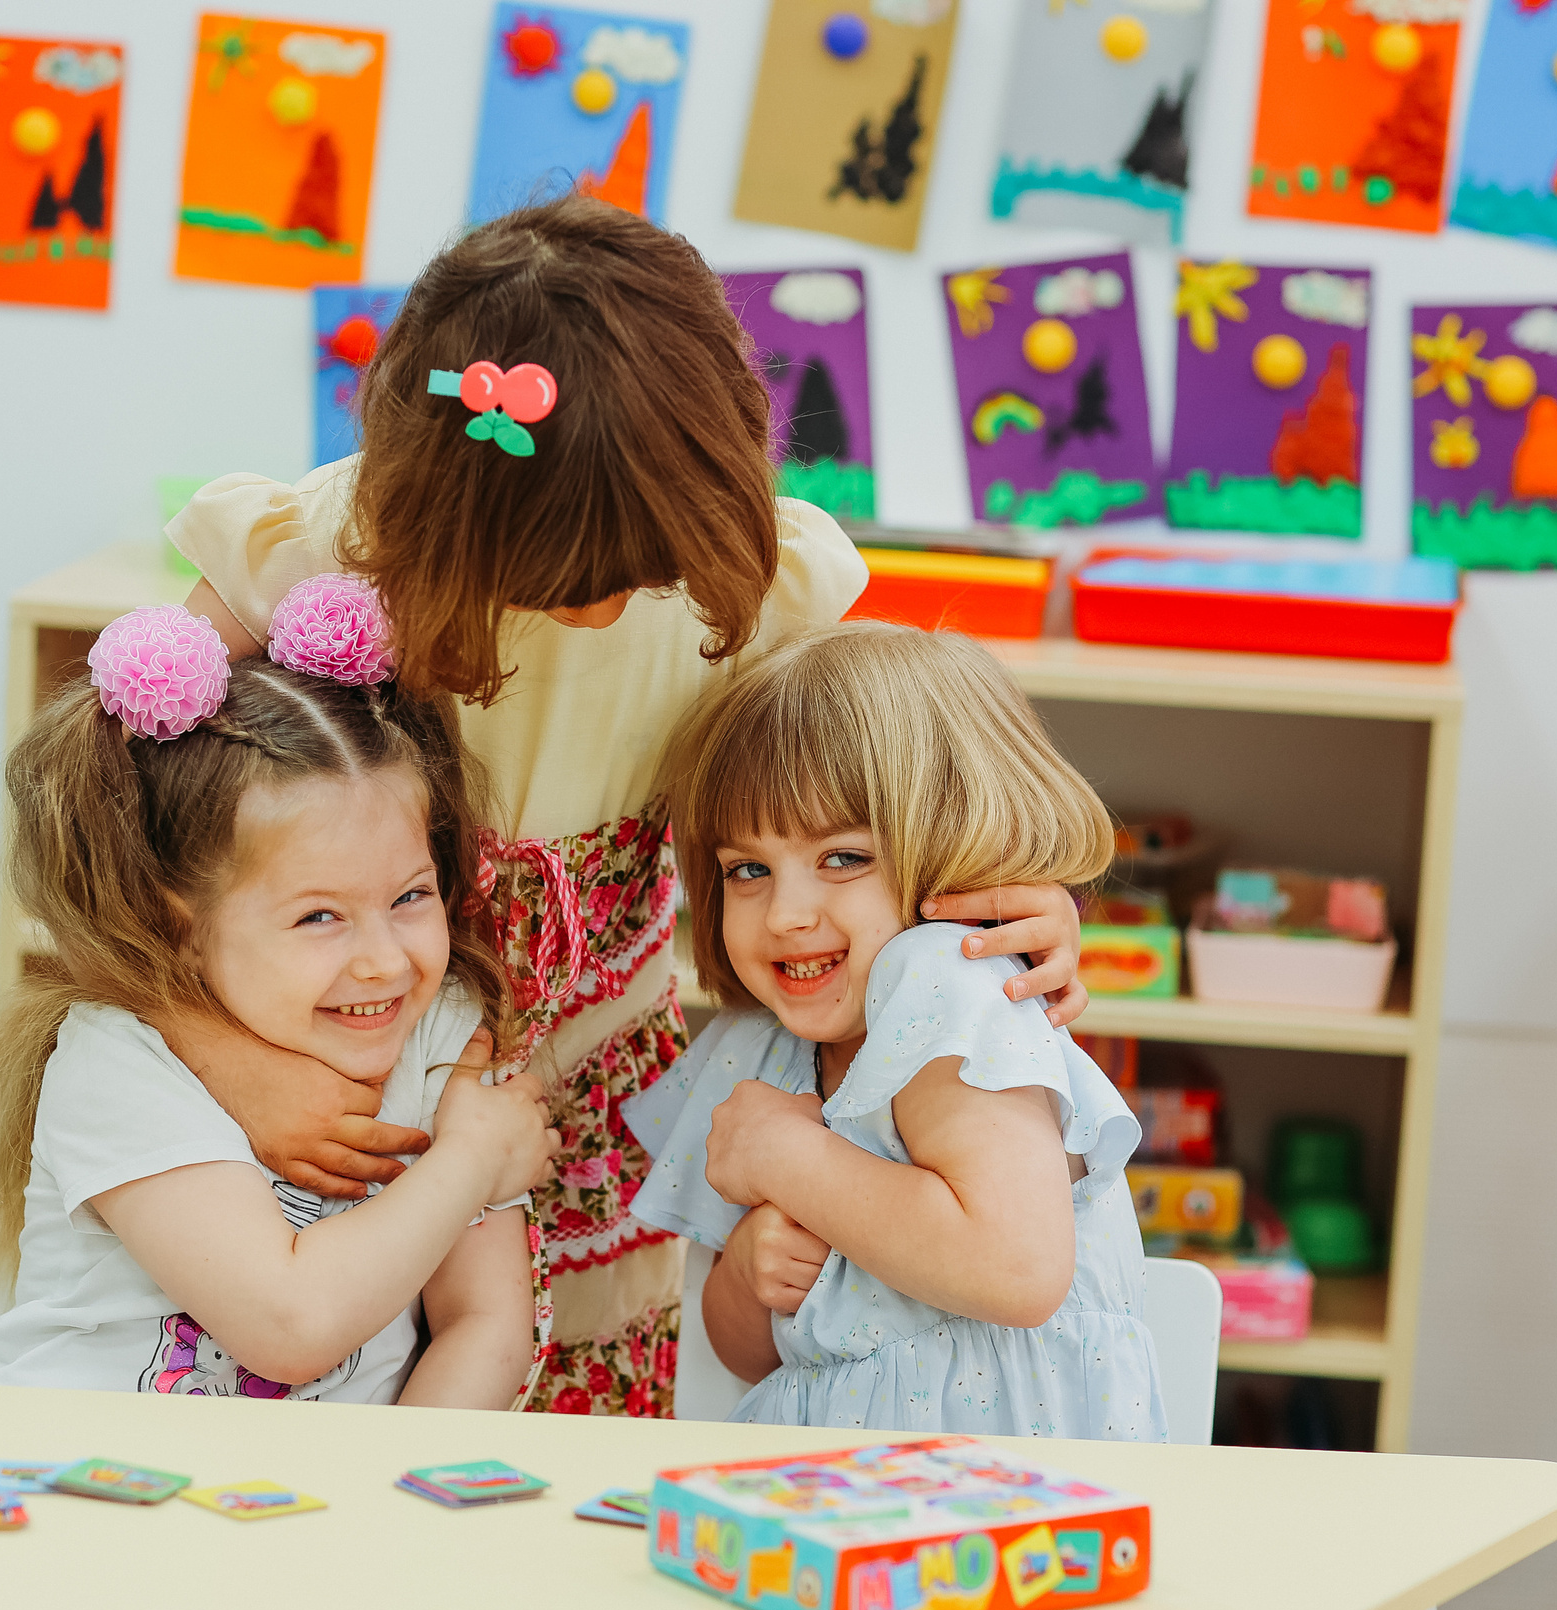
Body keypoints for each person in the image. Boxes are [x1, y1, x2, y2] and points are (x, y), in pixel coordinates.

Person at [161, 195, 1091, 1416]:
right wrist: (216, 1050)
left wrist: (1009, 902)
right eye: (553, 583)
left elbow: (892, 789)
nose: (599, 613)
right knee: (320, 1413)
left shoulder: (749, 579)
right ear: (446, 507)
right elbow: (111, 830)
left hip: (590, 1104)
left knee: (557, 1446)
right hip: (322, 1089)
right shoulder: (325, 556)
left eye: (634, 576)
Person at [0, 586, 555, 1409]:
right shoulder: (119, 1058)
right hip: (84, 1491)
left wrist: (377, 1508)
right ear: (185, 929)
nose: (385, 961)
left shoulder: (442, 1033)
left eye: (410, 896)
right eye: (320, 916)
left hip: (317, 1513)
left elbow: (485, 1323)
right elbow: (290, 1325)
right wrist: (469, 1161)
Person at [626, 623, 1166, 1439]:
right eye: (748, 869)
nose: (787, 914)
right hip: (839, 1495)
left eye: (843, 858)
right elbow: (743, 1353)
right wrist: (746, 1272)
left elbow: (1017, 1269)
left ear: (956, 849)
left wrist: (789, 1156)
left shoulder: (942, 978)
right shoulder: (762, 1048)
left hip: (1011, 1506)